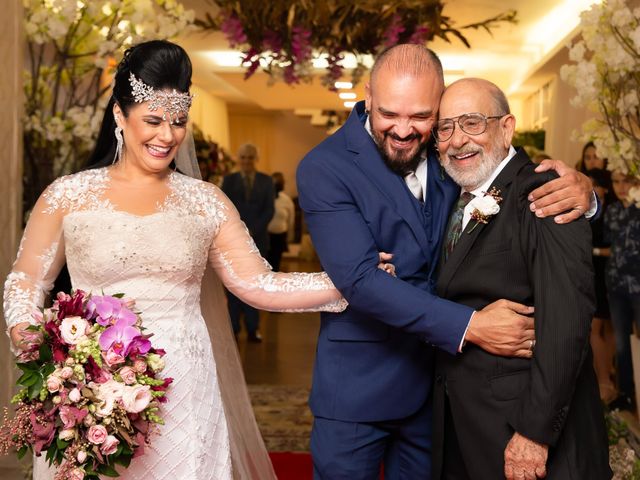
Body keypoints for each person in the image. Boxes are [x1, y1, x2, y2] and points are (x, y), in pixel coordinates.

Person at [3, 40, 349, 480]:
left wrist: (353, 280)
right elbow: (26, 279)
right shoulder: (68, 196)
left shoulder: (206, 202)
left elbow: (259, 284)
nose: (167, 136)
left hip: (185, 386)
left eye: (179, 121)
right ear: (118, 115)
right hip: (89, 383)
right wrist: (24, 327)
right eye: (153, 120)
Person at [296, 44, 595, 479]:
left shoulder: (450, 156)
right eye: (388, 115)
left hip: (439, 393)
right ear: (367, 97)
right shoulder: (325, 166)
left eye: (421, 117)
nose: (402, 130)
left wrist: (587, 195)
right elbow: (359, 279)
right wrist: (471, 325)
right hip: (360, 387)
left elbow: (507, 183)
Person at [430, 77, 610, 480]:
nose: (457, 140)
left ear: (507, 128)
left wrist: (534, 433)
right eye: (446, 128)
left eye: (472, 122)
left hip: (522, 430)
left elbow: (566, 324)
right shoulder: (455, 195)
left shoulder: (545, 193)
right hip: (468, 423)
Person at [222, 143, 275, 342]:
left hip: (259, 241)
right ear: (238, 159)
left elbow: (269, 211)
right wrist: (240, 231)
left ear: (256, 159)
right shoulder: (228, 181)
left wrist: (253, 231)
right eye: (243, 157)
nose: (246, 161)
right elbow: (225, 210)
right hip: (233, 242)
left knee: (256, 286)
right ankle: (234, 327)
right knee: (233, 284)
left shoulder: (266, 181)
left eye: (250, 158)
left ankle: (254, 328)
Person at [605, 170, 640, 411]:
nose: (620, 186)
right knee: (621, 344)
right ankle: (626, 395)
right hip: (616, 285)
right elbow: (610, 242)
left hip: (638, 285)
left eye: (625, 181)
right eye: (615, 181)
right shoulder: (613, 210)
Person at [587, 168, 616, 403]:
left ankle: (605, 380)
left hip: (608, 276)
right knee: (598, 329)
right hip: (594, 274)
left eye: (595, 184)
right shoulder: (589, 211)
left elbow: (615, 248)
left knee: (603, 329)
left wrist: (594, 251)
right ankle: (602, 379)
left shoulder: (612, 213)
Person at [267, 172, 295, 271]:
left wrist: (290, 236)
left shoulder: (287, 200)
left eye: (279, 183)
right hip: (266, 236)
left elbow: (291, 220)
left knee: (276, 263)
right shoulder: (265, 197)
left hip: (280, 236)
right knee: (265, 264)